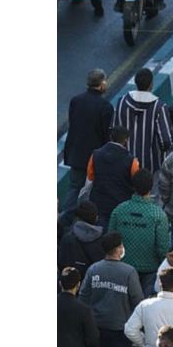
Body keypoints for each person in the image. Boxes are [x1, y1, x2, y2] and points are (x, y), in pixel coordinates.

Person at [80, 232, 144, 347]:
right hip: (121, 326)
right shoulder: (129, 272)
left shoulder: (94, 269)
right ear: (118, 249)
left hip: (98, 324)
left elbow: (84, 296)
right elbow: (138, 300)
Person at [62, 68, 113, 227]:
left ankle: (65, 222)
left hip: (76, 152)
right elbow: (106, 135)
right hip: (95, 157)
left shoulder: (76, 101)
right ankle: (90, 222)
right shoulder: (105, 107)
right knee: (95, 190)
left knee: (74, 187)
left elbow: (72, 124)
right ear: (102, 84)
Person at [108, 168, 170, 295]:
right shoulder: (158, 215)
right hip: (150, 270)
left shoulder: (119, 210)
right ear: (151, 187)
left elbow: (110, 240)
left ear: (133, 186)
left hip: (122, 267)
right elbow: (163, 248)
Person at [114, 68, 173, 175]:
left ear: (136, 83)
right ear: (151, 85)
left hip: (125, 162)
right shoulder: (159, 107)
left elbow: (114, 130)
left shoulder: (122, 101)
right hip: (150, 166)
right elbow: (166, 141)